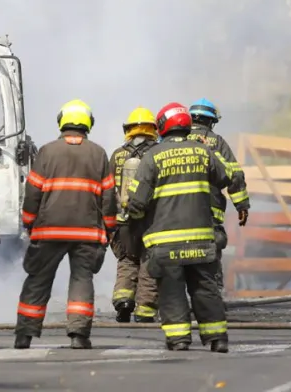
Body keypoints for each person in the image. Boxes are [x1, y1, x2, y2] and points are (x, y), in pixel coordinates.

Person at [126, 102, 232, 353]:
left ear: (163, 126)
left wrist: (135, 218)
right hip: (201, 240)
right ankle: (217, 338)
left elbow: (137, 202)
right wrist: (209, 152)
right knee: (205, 288)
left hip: (166, 243)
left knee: (171, 291)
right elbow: (227, 176)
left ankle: (179, 339)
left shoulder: (153, 156)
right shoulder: (203, 152)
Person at [14, 100, 116, 350]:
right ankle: (78, 335)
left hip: (49, 231)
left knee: (38, 279)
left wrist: (28, 222)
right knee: (82, 280)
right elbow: (108, 198)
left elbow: (33, 192)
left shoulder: (47, 152)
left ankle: (24, 335)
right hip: (87, 233)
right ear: (88, 123)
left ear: (62, 122)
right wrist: (109, 228)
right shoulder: (98, 154)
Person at [187, 99, 250, 289]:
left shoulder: (174, 140)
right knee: (210, 256)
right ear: (211, 121)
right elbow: (234, 175)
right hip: (209, 211)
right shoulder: (217, 142)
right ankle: (212, 295)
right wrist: (242, 206)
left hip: (174, 211)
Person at [109, 107, 160, 323]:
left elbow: (109, 189)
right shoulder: (159, 152)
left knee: (127, 260)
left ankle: (123, 300)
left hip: (124, 222)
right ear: (153, 129)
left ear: (128, 129)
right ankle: (145, 309)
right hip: (151, 221)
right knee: (148, 262)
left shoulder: (117, 155)